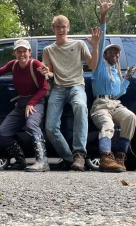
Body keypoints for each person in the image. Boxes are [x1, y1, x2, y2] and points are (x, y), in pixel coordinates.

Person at [38, 16, 101, 171]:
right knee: (50, 127)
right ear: (53, 29)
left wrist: (95, 47)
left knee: (80, 106)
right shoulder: (48, 50)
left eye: (63, 27)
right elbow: (51, 74)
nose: (60, 30)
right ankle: (69, 157)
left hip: (76, 86)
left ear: (68, 28)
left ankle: (79, 153)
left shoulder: (79, 44)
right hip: (58, 88)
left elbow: (93, 66)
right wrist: (46, 72)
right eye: (57, 27)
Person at [90, 0, 136, 172]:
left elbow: (118, 93)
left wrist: (126, 78)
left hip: (115, 103)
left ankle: (120, 157)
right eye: (111, 53)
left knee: (131, 117)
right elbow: (101, 40)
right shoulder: (99, 66)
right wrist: (103, 17)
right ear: (105, 55)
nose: (114, 55)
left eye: (116, 54)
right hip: (101, 105)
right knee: (107, 125)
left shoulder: (117, 73)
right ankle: (105, 157)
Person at [0, 39, 49, 172]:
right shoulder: (13, 65)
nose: (22, 54)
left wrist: (31, 103)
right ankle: (20, 161)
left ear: (30, 52)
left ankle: (42, 162)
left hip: (36, 102)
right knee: (2, 133)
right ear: (14, 53)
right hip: (21, 103)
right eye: (19, 51)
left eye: (24, 51)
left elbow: (44, 89)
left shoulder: (35, 64)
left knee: (31, 125)